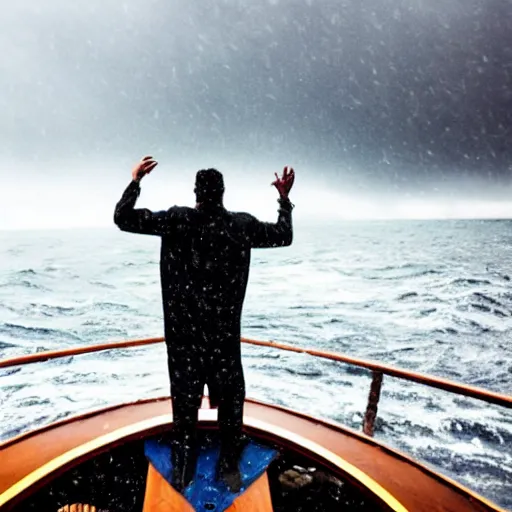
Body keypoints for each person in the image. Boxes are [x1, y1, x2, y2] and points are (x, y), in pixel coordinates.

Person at [114, 157, 295, 492]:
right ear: (223, 193)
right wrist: (284, 200)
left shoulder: (176, 219)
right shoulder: (240, 226)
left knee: (184, 412)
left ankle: (183, 471)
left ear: (196, 192)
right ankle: (229, 468)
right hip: (223, 340)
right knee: (231, 408)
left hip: (183, 340)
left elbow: (122, 218)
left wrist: (136, 180)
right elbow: (284, 235)